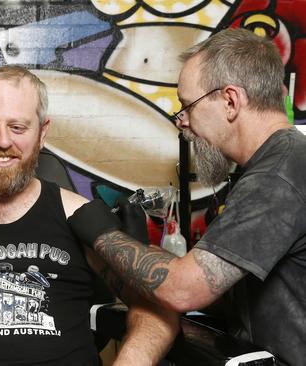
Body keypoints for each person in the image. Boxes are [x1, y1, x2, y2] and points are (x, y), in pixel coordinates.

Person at [0, 65, 178, 365]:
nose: (2, 141)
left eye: (18, 127)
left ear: (42, 133)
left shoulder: (78, 214)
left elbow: (157, 303)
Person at [68, 28, 306, 365]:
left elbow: (185, 289)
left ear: (230, 101)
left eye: (187, 106)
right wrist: (139, 258)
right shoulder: (276, 164)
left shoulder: (278, 174)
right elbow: (221, 292)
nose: (183, 123)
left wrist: (102, 234)